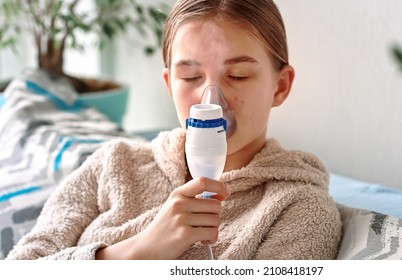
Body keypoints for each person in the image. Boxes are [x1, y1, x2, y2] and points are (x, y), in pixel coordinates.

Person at [6, 0, 342, 260]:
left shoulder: (299, 209)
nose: (211, 99)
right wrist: (137, 253)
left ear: (280, 86)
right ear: (169, 84)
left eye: (237, 75)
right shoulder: (113, 164)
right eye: (191, 78)